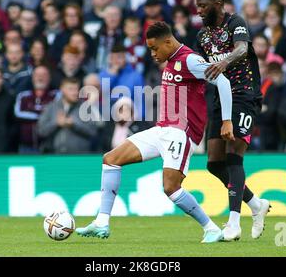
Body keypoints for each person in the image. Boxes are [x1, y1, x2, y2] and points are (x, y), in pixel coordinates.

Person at [76, 21, 233, 243]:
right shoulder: (170, 60)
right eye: (149, 49)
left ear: (168, 42)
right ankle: (102, 222)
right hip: (161, 130)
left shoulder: (190, 60)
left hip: (181, 132)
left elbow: (223, 82)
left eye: (155, 48)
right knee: (110, 159)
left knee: (170, 187)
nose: (152, 53)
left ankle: (211, 228)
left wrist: (226, 121)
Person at [195, 0, 270, 241]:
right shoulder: (202, 35)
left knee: (233, 156)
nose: (199, 10)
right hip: (219, 98)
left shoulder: (235, 21)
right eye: (197, 6)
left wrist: (223, 62)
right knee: (214, 164)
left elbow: (241, 49)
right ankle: (256, 205)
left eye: (204, 6)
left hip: (244, 94)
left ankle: (234, 223)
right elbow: (199, 65)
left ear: (219, 3)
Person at [37, 77, 98, 153]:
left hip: (79, 158)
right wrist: (56, 123)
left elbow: (93, 131)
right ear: (62, 89)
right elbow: (40, 131)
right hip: (54, 157)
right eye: (71, 89)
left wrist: (73, 124)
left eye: (77, 89)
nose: (75, 92)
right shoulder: (50, 107)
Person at [14, 65, 58, 153]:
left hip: (50, 147)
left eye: (44, 75)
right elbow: (18, 113)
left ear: (49, 78)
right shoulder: (23, 96)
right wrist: (43, 115)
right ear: (32, 78)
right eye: (37, 75)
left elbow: (56, 115)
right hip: (26, 147)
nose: (40, 78)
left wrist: (32, 111)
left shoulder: (56, 95)